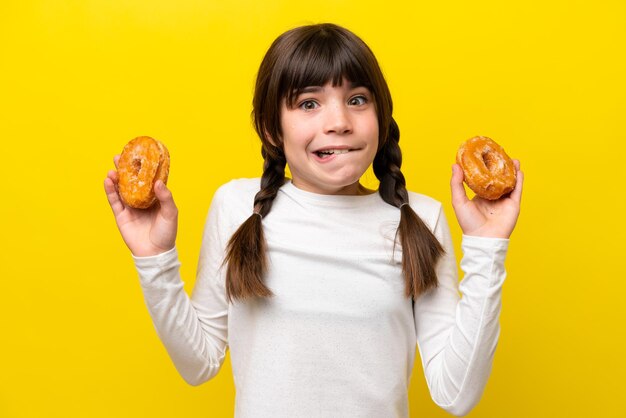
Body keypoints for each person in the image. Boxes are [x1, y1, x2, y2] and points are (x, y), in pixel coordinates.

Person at [104, 23, 523, 418]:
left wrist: (488, 249)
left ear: (382, 116)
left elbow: (456, 393)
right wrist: (155, 259)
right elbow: (199, 363)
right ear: (271, 128)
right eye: (309, 103)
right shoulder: (237, 207)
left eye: (358, 100)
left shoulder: (420, 218)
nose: (339, 122)